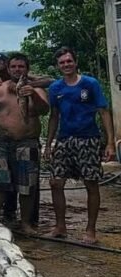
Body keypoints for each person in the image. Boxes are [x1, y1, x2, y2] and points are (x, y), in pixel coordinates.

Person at [45, 47, 115, 244]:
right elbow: (54, 117)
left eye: (69, 61)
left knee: (90, 183)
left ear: (75, 62)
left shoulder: (90, 84)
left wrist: (110, 142)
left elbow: (103, 112)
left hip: (88, 139)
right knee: (56, 182)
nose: (66, 65)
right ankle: (60, 226)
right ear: (58, 66)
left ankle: (90, 230)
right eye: (62, 63)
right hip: (64, 139)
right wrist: (49, 144)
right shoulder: (56, 88)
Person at [0, 53, 49, 234]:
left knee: (27, 186)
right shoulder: (0, 88)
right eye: (13, 67)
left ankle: (26, 223)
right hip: (1, 143)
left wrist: (33, 96)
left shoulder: (36, 88)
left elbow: (44, 110)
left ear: (27, 69)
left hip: (26, 142)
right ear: (8, 68)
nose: (17, 70)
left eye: (21, 67)